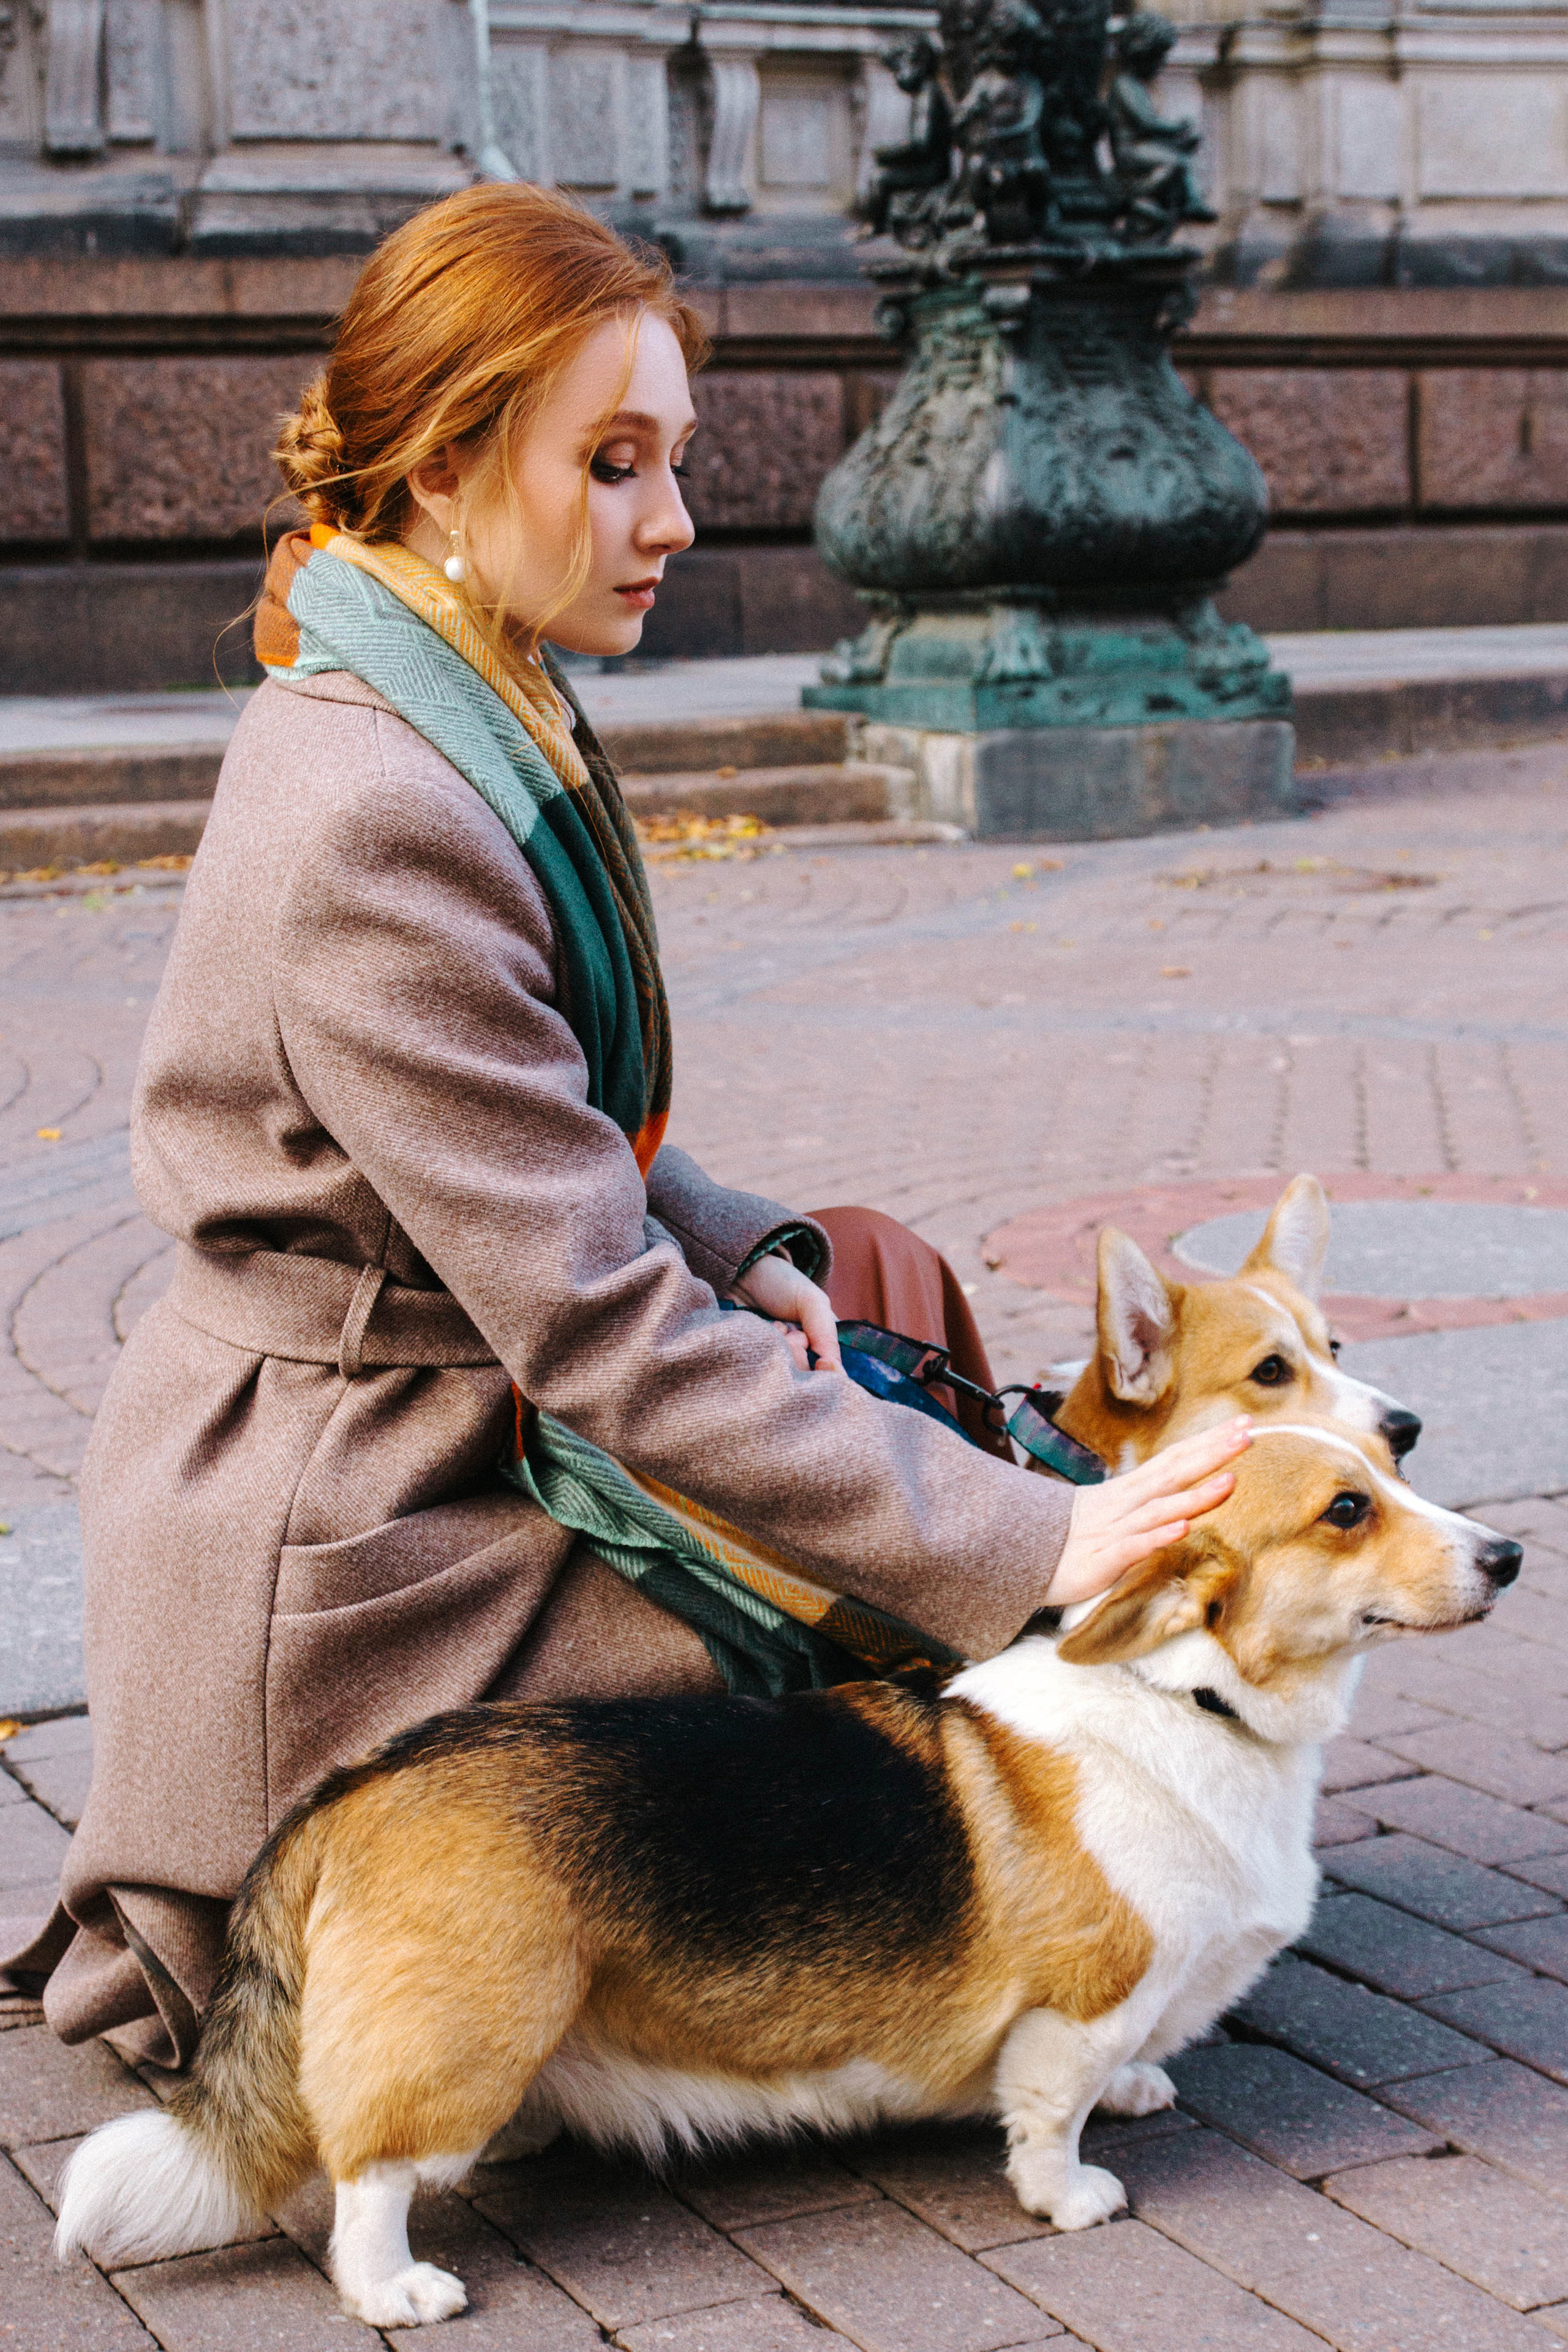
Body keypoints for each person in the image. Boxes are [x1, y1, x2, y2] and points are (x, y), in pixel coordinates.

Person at [2, 184, 1248, 2068]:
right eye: (612, 463)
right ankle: (920, 1973)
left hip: (445, 1414)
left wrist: (742, 1249)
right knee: (897, 1630)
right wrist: (1032, 1542)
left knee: (878, 1282)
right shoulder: (380, 807)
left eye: (674, 458)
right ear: (443, 461)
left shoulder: (455, 682)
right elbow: (596, 1327)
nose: (670, 518)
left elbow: (544, 1118)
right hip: (376, 1527)